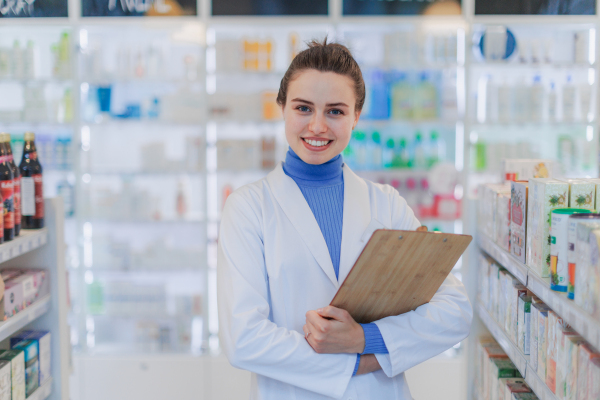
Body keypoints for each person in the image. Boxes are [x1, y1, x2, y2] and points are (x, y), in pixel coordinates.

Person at [217, 39, 472, 400]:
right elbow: (243, 339)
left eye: (335, 111)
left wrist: (365, 339)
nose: (317, 126)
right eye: (303, 108)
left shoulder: (387, 205)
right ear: (282, 108)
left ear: (356, 116)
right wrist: (359, 361)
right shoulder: (248, 208)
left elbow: (455, 311)